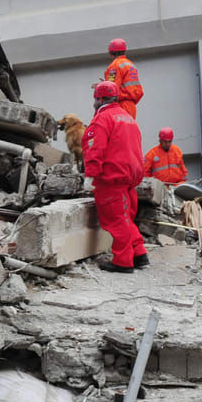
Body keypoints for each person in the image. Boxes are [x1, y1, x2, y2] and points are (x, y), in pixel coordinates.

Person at [84, 81, 147, 273]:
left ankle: (123, 261)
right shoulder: (127, 117)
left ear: (100, 98)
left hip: (112, 178)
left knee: (116, 220)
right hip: (129, 176)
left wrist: (90, 175)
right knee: (126, 217)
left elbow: (94, 148)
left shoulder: (103, 119)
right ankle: (139, 253)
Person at [103, 39, 143, 119]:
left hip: (121, 105)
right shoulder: (130, 64)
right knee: (129, 130)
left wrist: (101, 87)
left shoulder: (115, 65)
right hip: (131, 105)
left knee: (120, 130)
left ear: (111, 53)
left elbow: (112, 88)